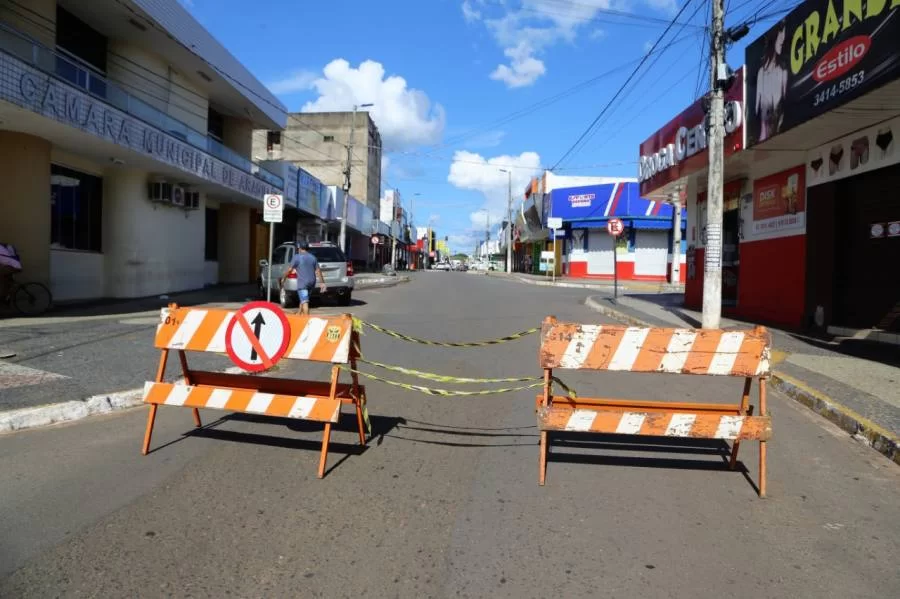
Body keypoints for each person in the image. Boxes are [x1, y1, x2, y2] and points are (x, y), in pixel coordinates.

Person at [755, 22, 788, 143]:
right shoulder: (761, 73)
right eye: (780, 39)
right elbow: (756, 110)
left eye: (783, 39)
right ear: (773, 40)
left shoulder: (782, 71)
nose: (782, 42)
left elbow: (785, 103)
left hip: (779, 136)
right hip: (763, 138)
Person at [280, 241, 326, 315]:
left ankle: (306, 318)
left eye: (298, 248)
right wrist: (322, 283)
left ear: (300, 248)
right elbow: (318, 270)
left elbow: (289, 270)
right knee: (304, 299)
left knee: (305, 302)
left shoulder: (297, 257)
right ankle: (298, 313)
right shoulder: (313, 257)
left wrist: (284, 278)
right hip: (312, 283)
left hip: (303, 283)